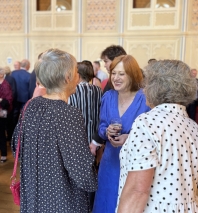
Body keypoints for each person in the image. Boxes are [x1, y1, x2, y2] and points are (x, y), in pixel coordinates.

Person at [11, 48, 97, 213]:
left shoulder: (30, 106)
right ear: (67, 77)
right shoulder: (68, 114)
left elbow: (16, 148)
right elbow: (82, 173)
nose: (78, 77)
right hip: (61, 200)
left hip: (33, 197)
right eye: (76, 72)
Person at [116, 60, 198, 213]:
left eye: (146, 85)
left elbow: (137, 191)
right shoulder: (193, 127)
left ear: (155, 88)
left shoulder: (147, 123)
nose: (143, 90)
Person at [93, 55, 150, 213]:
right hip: (110, 162)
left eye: (122, 74)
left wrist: (130, 138)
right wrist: (107, 131)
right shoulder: (108, 97)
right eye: (113, 73)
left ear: (132, 75)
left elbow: (152, 136)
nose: (116, 78)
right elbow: (102, 127)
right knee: (106, 203)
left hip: (135, 165)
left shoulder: (145, 100)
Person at [68, 61, 102, 211]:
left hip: (77, 139)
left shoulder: (72, 92)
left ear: (78, 74)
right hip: (96, 139)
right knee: (93, 173)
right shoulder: (99, 91)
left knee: (77, 176)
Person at [0, 66, 13, 163]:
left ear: (1, 74)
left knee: (0, 134)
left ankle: (3, 154)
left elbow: (7, 103)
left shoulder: (5, 85)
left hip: (0, 114)